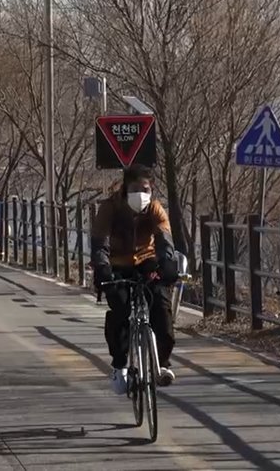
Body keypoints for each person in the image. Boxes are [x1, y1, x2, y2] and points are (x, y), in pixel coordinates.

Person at [90, 164, 179, 395]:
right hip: (118, 265)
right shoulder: (110, 209)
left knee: (160, 305)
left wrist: (167, 264)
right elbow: (100, 243)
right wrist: (102, 268)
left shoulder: (155, 209)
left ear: (152, 190)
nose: (141, 194)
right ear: (125, 188)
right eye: (135, 189)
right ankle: (120, 366)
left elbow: (165, 239)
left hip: (146, 262)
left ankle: (162, 363)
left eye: (146, 189)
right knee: (119, 308)